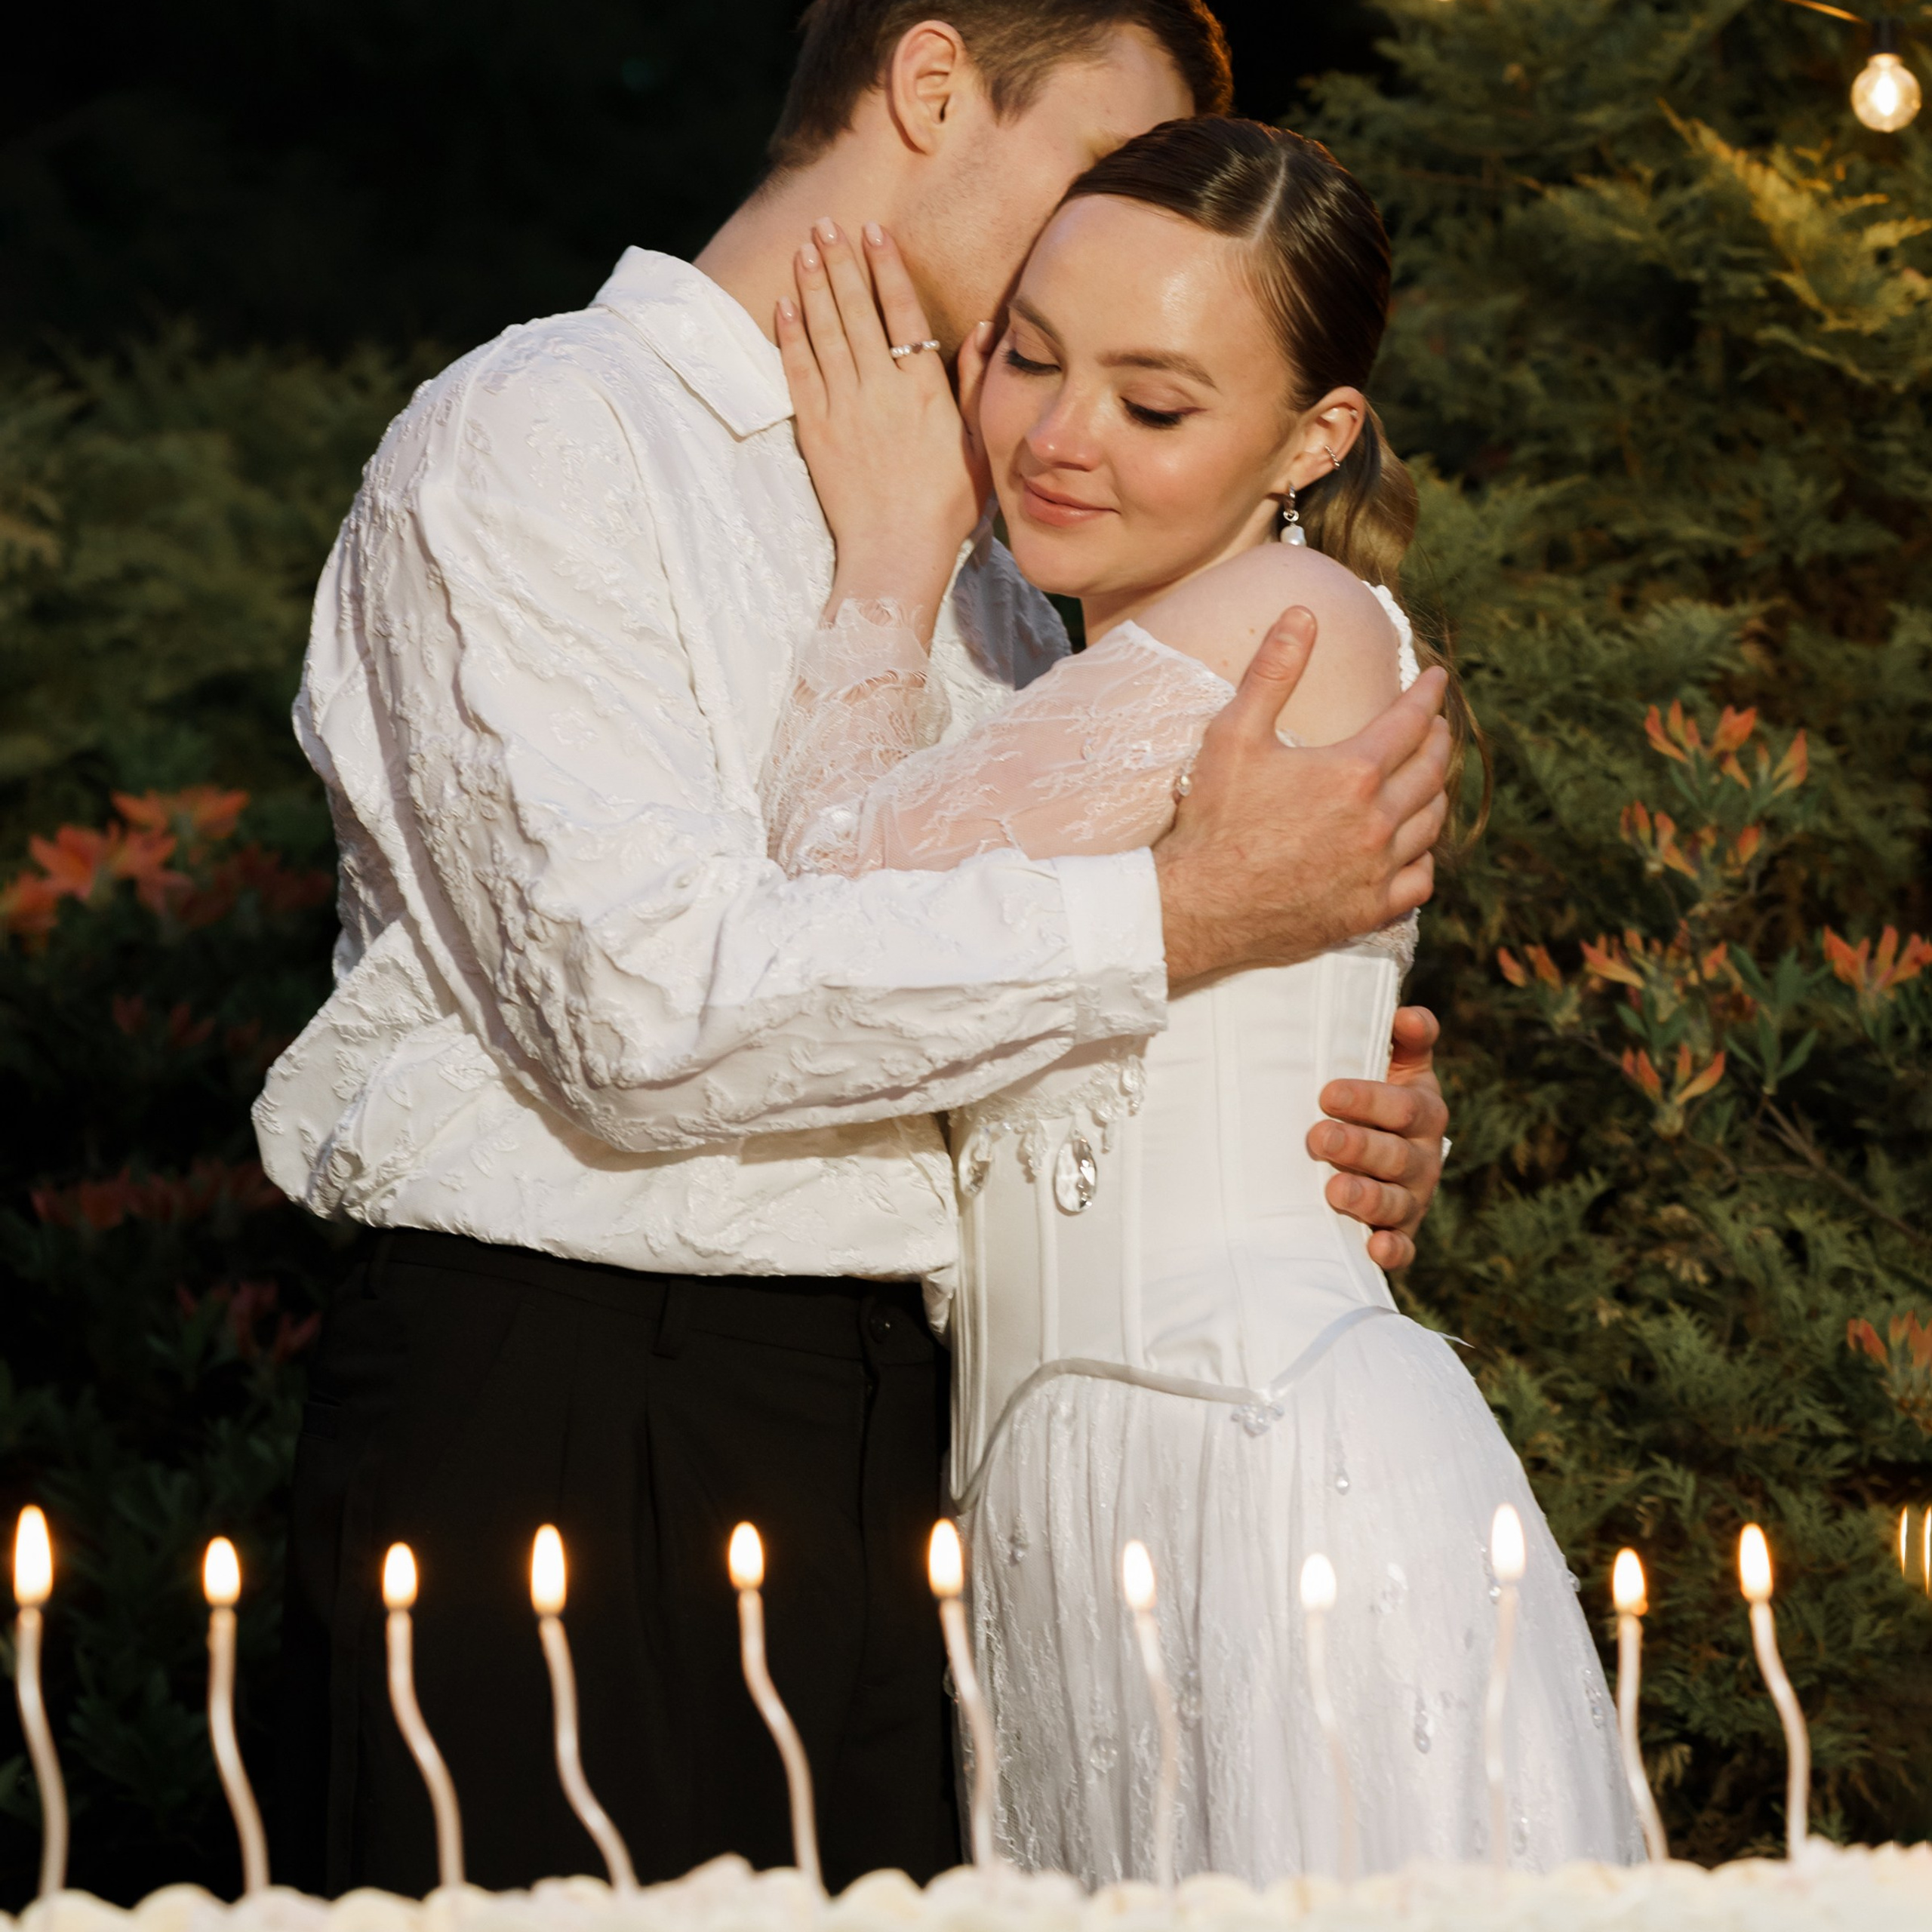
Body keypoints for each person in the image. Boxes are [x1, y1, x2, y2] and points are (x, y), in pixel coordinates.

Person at [256, 2, 1453, 1900]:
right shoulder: (548, 431)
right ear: (929, 85)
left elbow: (1003, 1006)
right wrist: (1183, 922)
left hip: (923, 1444)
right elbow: (640, 1008)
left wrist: (1286, 1099)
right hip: (582, 1400)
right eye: (1107, 163)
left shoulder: (1011, 537)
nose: (1127, 237)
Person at [761, 116, 1637, 1882]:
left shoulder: (1284, 614)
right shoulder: (1081, 656)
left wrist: (889, 551)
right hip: (1071, 1496)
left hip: (1260, 1466)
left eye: (1151, 404)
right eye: (1027, 357)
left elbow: (818, 905)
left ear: (1312, 439)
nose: (1056, 436)